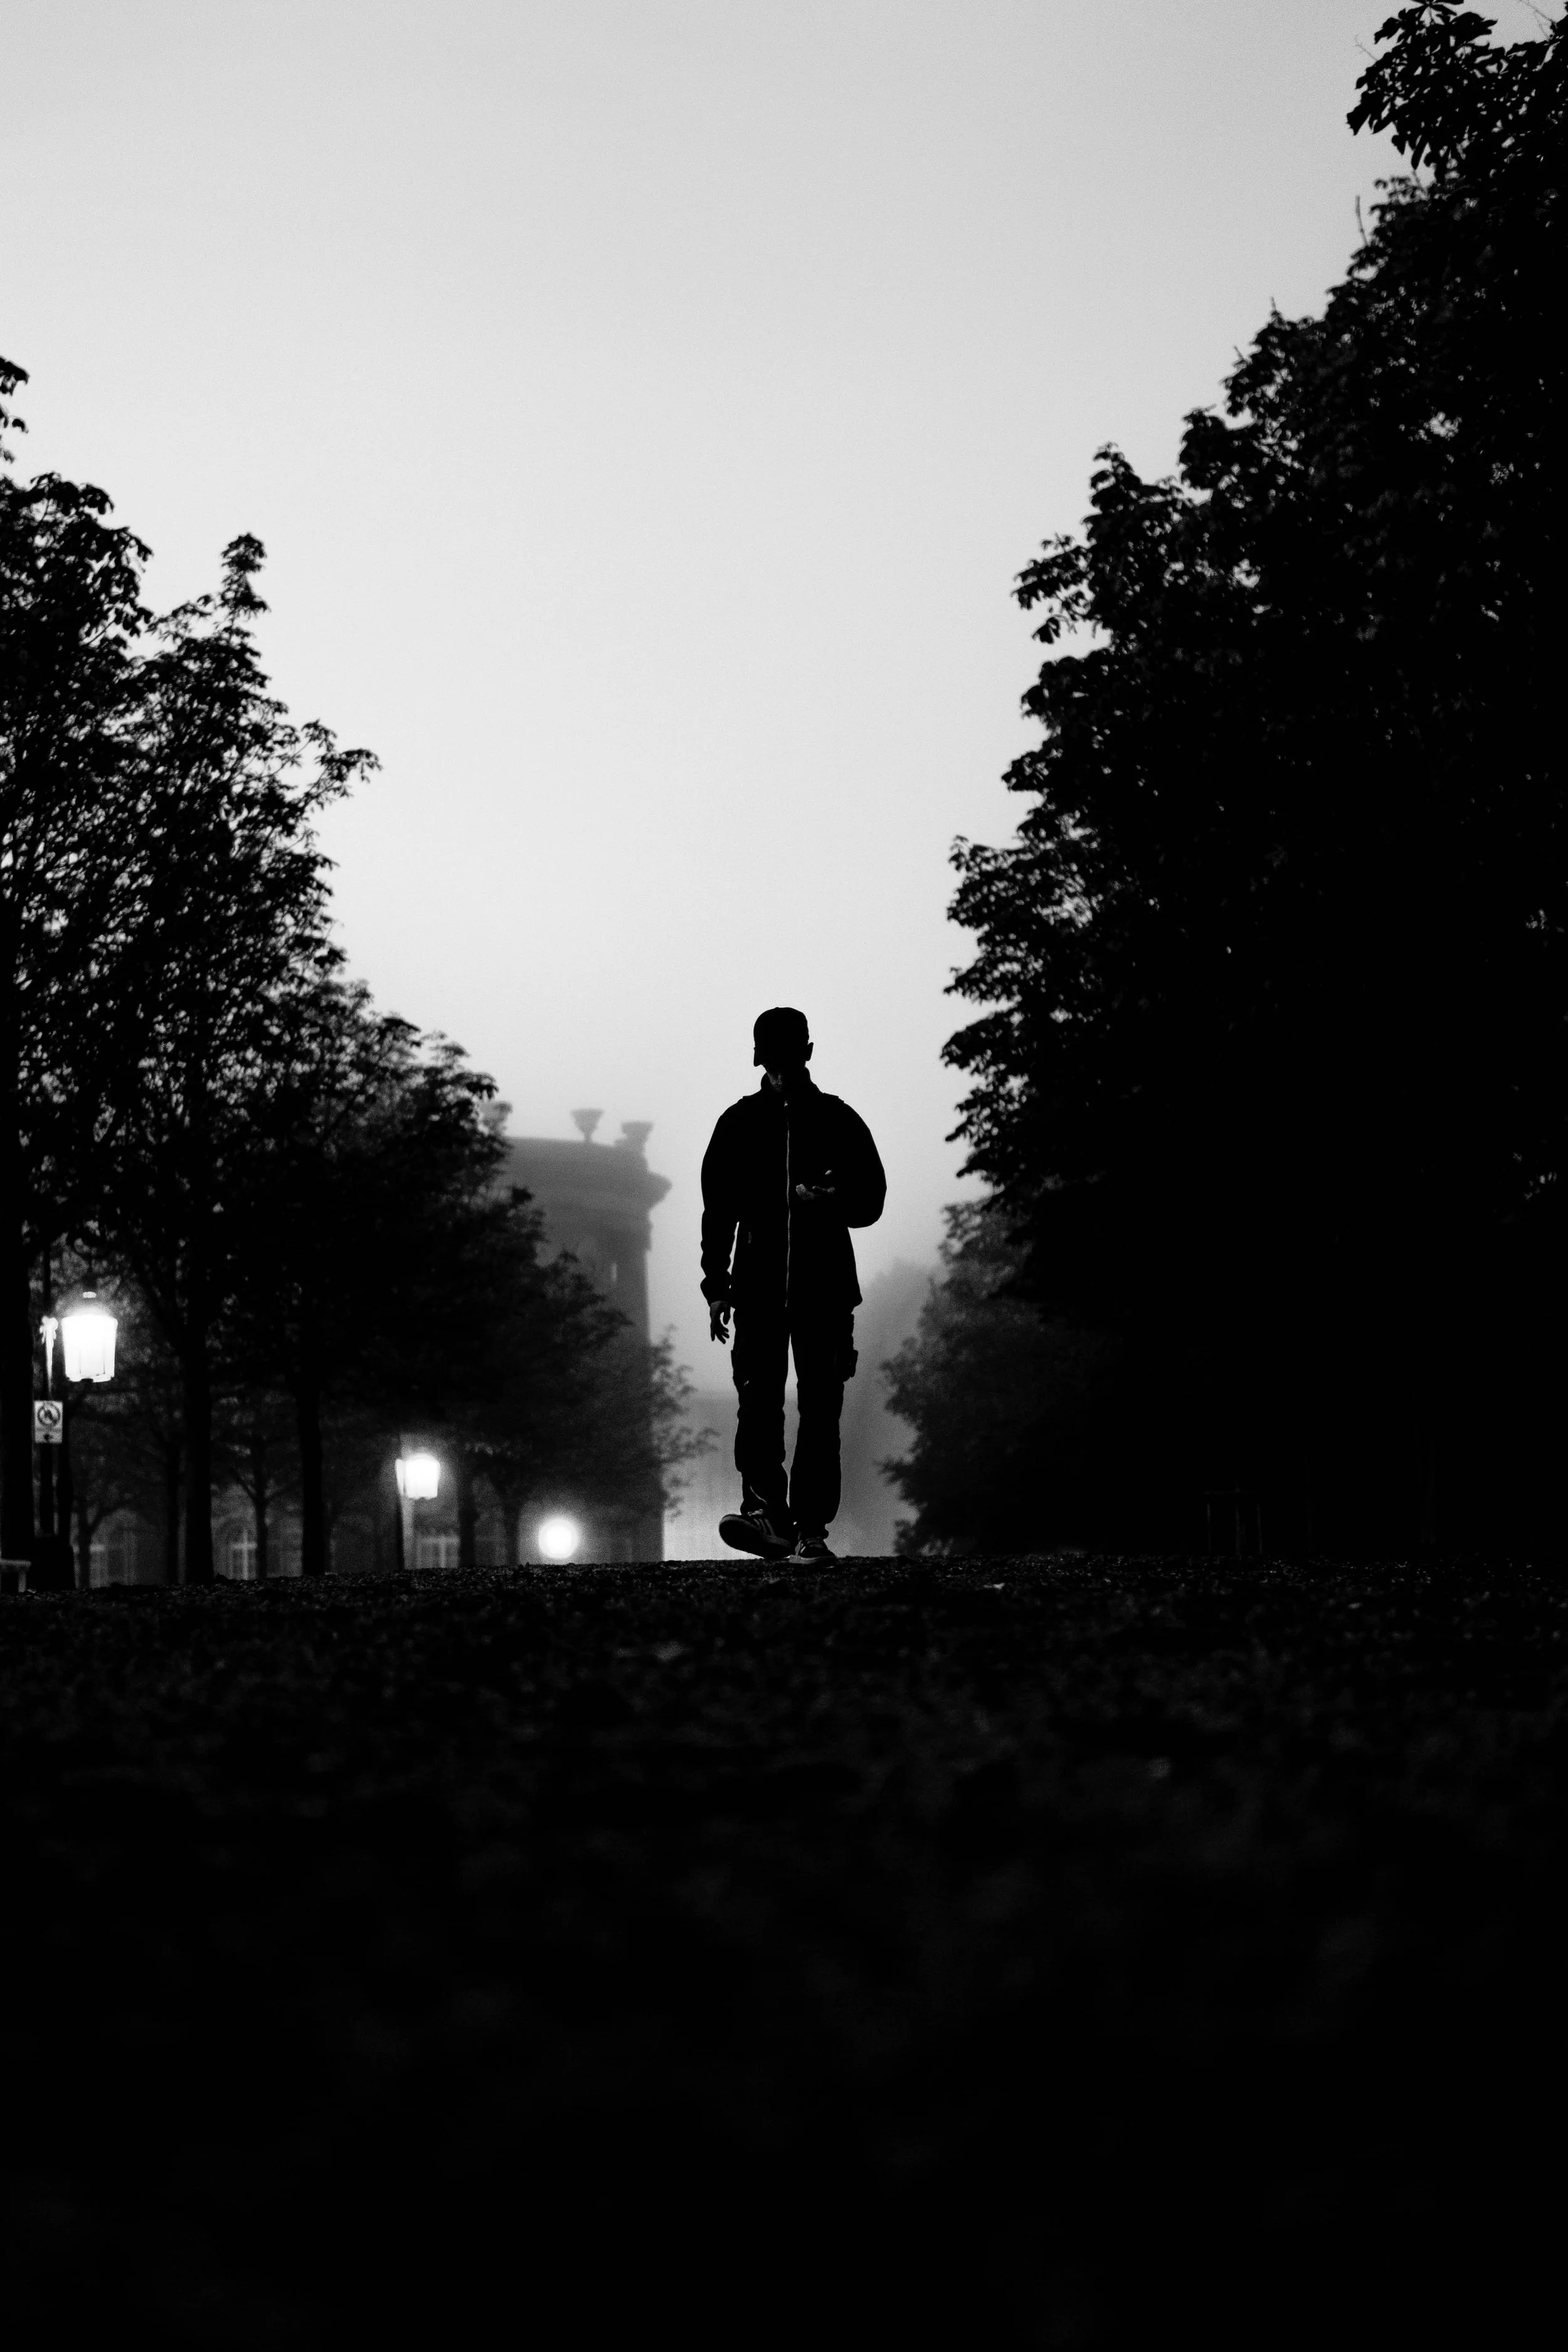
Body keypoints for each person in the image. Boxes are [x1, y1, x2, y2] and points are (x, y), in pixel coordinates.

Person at [701, 1007, 886, 1563]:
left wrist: (834, 1200)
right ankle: (767, 1515)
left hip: (825, 1289)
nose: (781, 1070)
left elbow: (871, 1201)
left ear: (806, 1054)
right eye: (773, 1061)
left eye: (787, 1059)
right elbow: (719, 1212)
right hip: (757, 1290)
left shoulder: (838, 1120)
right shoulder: (738, 1123)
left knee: (821, 1406)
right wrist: (717, 1287)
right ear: (764, 1060)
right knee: (758, 1403)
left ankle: (809, 1526)